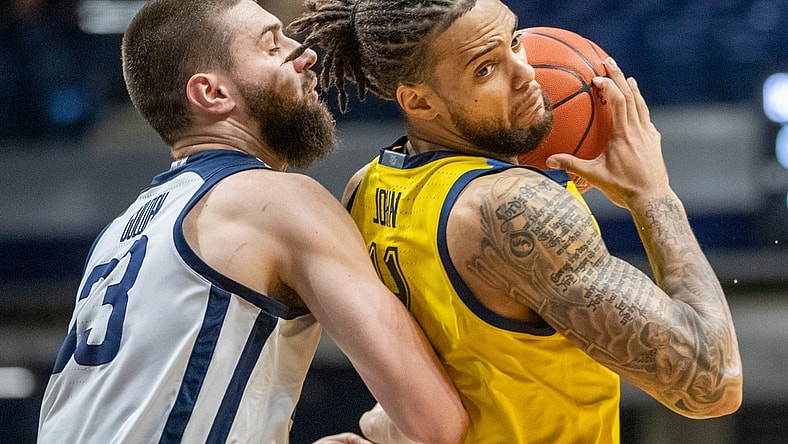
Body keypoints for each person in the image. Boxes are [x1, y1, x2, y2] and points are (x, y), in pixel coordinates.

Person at [289, 0, 744, 441]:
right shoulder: (512, 208)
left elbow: (439, 383)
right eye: (486, 68)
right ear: (419, 102)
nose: (526, 73)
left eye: (515, 41)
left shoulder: (366, 187)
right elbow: (713, 383)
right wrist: (653, 196)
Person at [36, 0, 468, 443]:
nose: (305, 52)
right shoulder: (276, 202)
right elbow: (436, 424)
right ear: (213, 93)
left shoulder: (123, 230)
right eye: (272, 46)